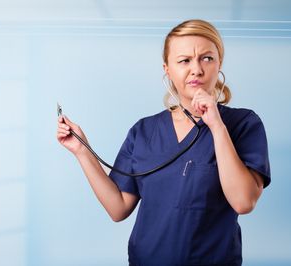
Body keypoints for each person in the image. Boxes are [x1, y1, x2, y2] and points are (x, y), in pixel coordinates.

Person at [56, 19, 271, 266]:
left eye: (207, 58)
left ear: (219, 63)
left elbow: (244, 202)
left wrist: (216, 126)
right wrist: (82, 151)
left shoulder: (243, 124)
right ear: (167, 69)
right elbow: (118, 208)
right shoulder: (143, 131)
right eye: (184, 61)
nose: (197, 69)